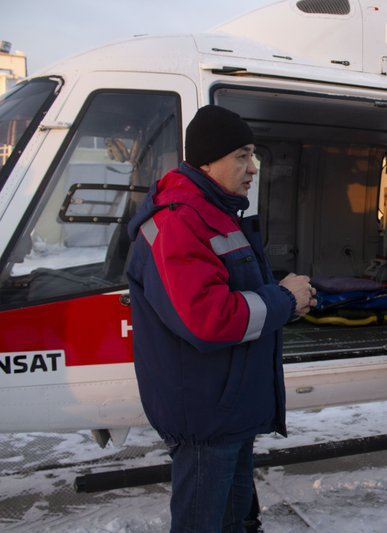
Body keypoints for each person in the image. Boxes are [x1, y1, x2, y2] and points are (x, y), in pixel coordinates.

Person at [126, 105, 316, 532]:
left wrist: (281, 296)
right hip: (206, 417)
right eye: (242, 156)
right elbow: (209, 319)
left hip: (228, 410)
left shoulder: (213, 213)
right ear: (207, 161)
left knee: (235, 521)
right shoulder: (179, 222)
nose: (253, 168)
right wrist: (285, 299)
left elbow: (234, 293)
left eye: (253, 156)